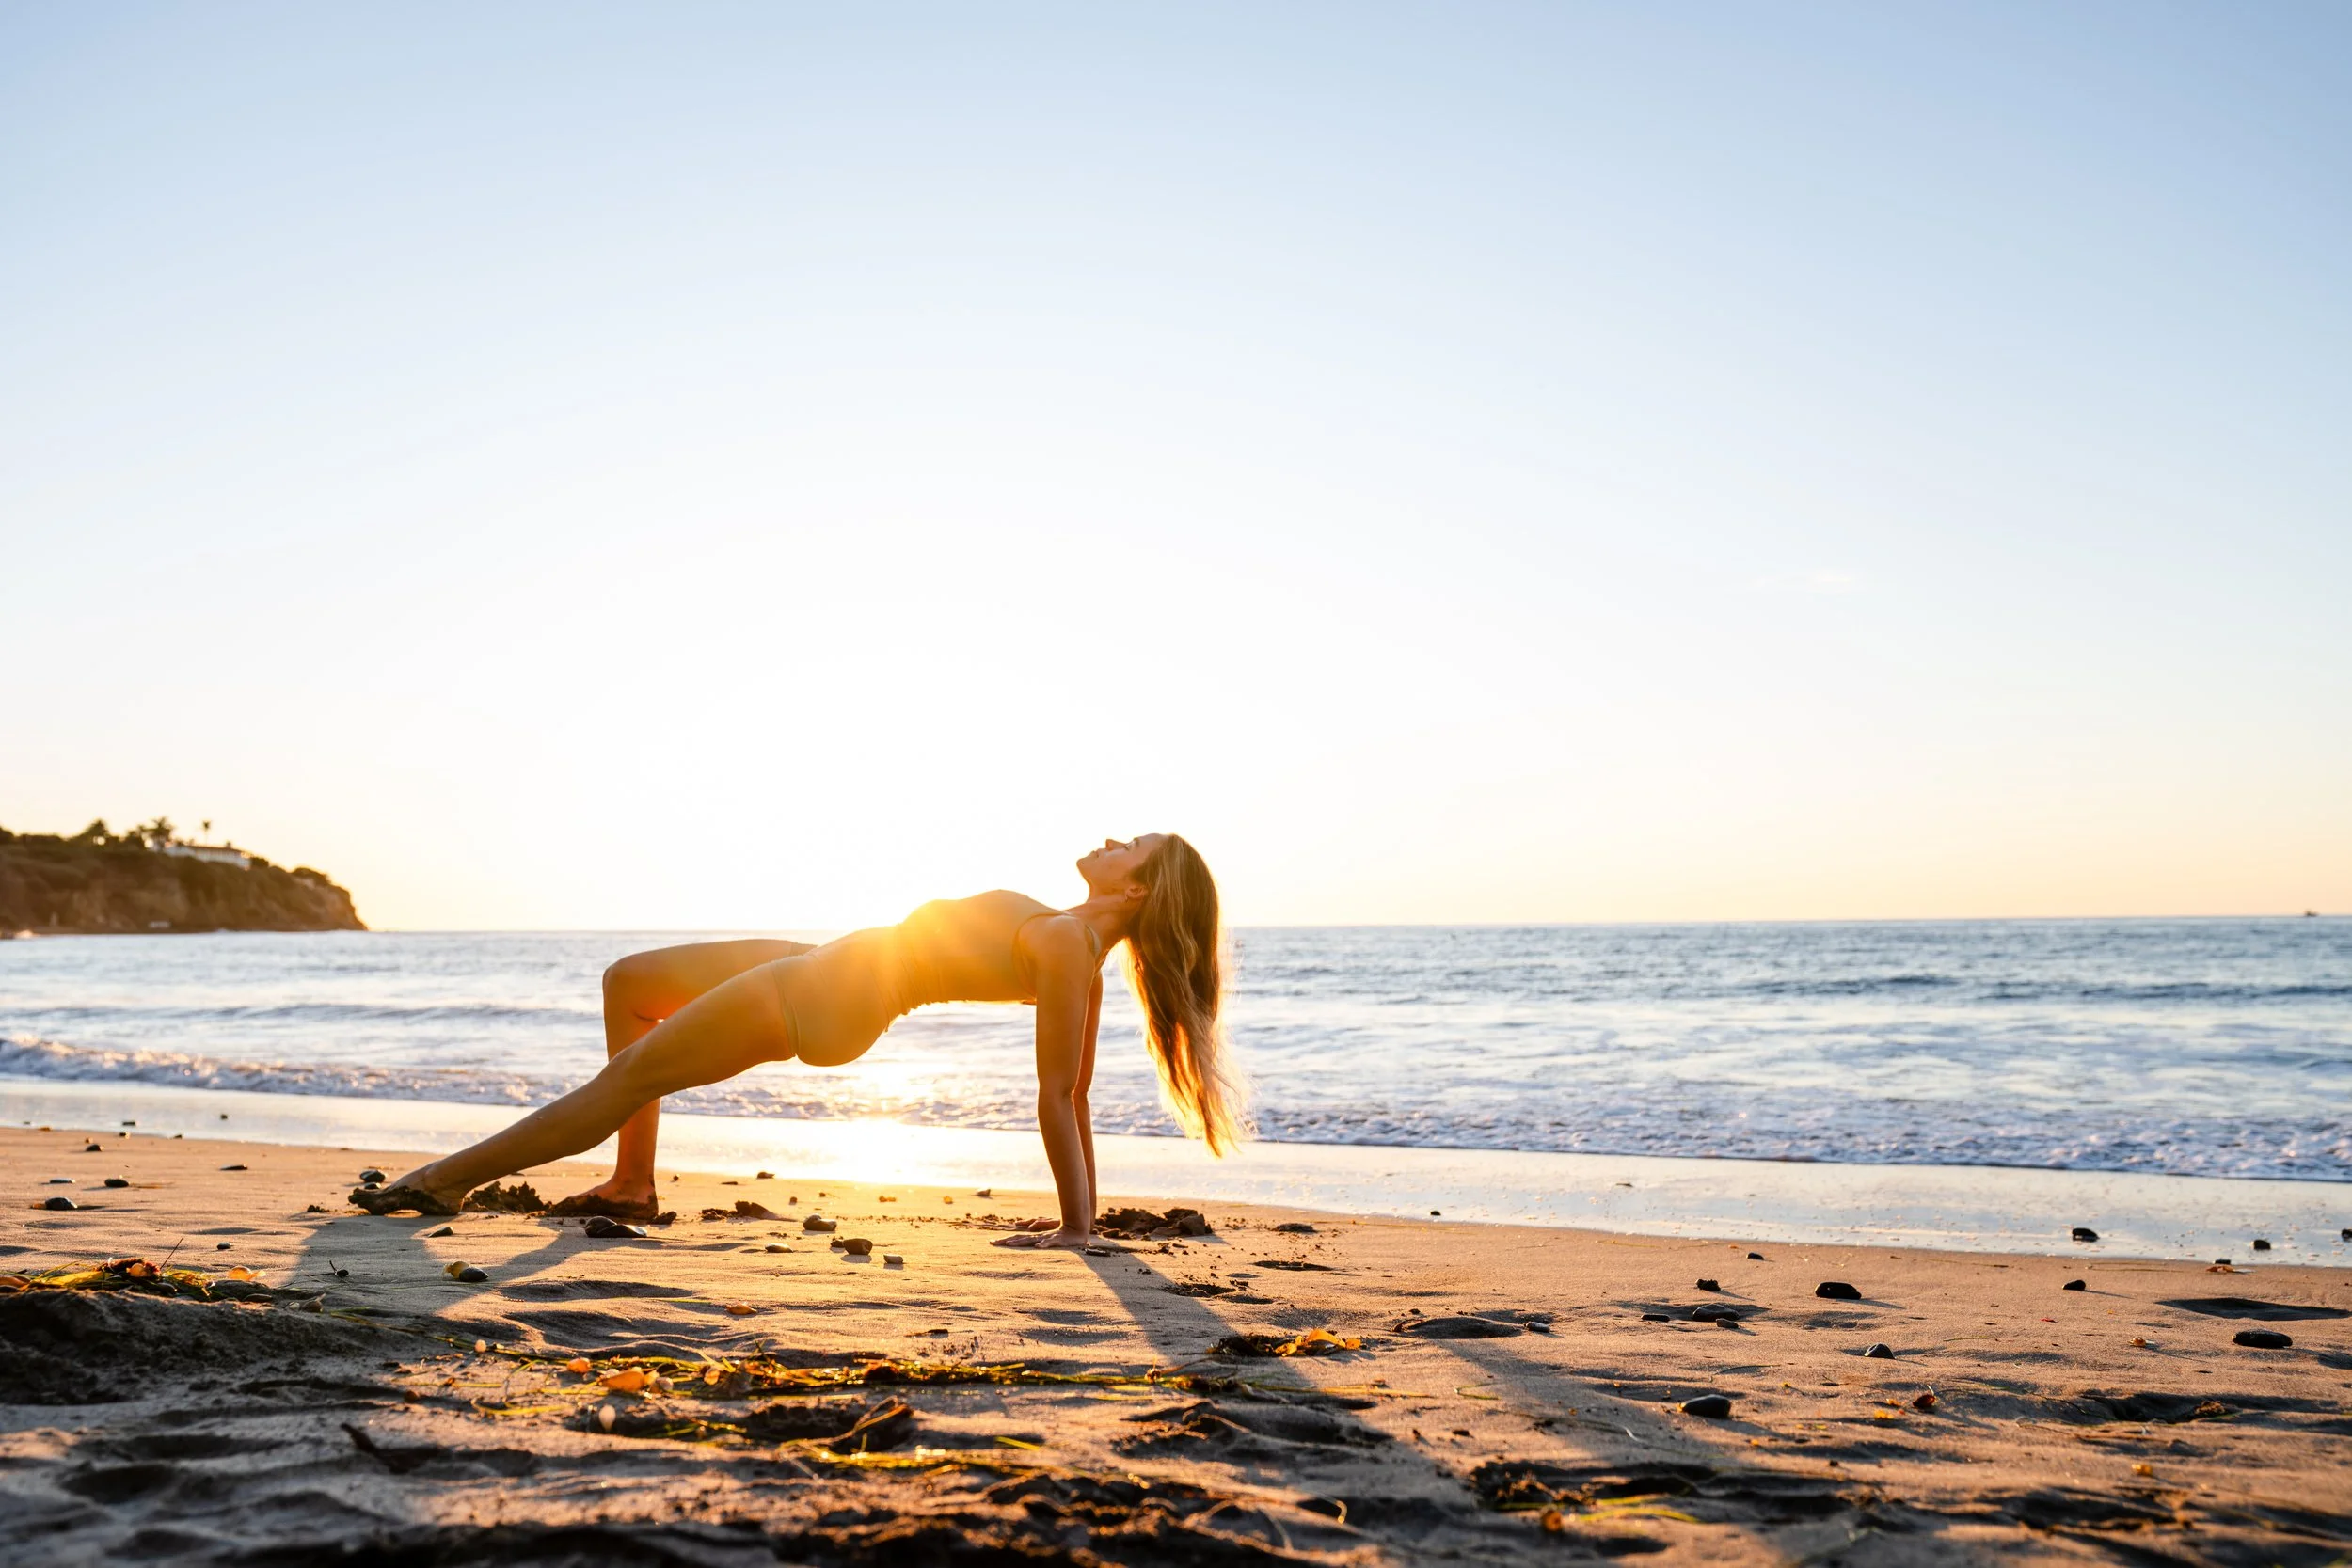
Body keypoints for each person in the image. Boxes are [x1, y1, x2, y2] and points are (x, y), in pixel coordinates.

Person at [349, 834, 1240, 1251]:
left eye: (1137, 843)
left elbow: (1061, 1096)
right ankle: (631, 1181)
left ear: (1139, 887)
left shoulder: (1064, 947)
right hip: (826, 963)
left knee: (628, 1075)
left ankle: (446, 1181)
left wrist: (1077, 1229)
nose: (1115, 837)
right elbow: (1077, 1097)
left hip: (824, 994)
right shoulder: (1071, 943)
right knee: (631, 983)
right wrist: (1083, 1218)